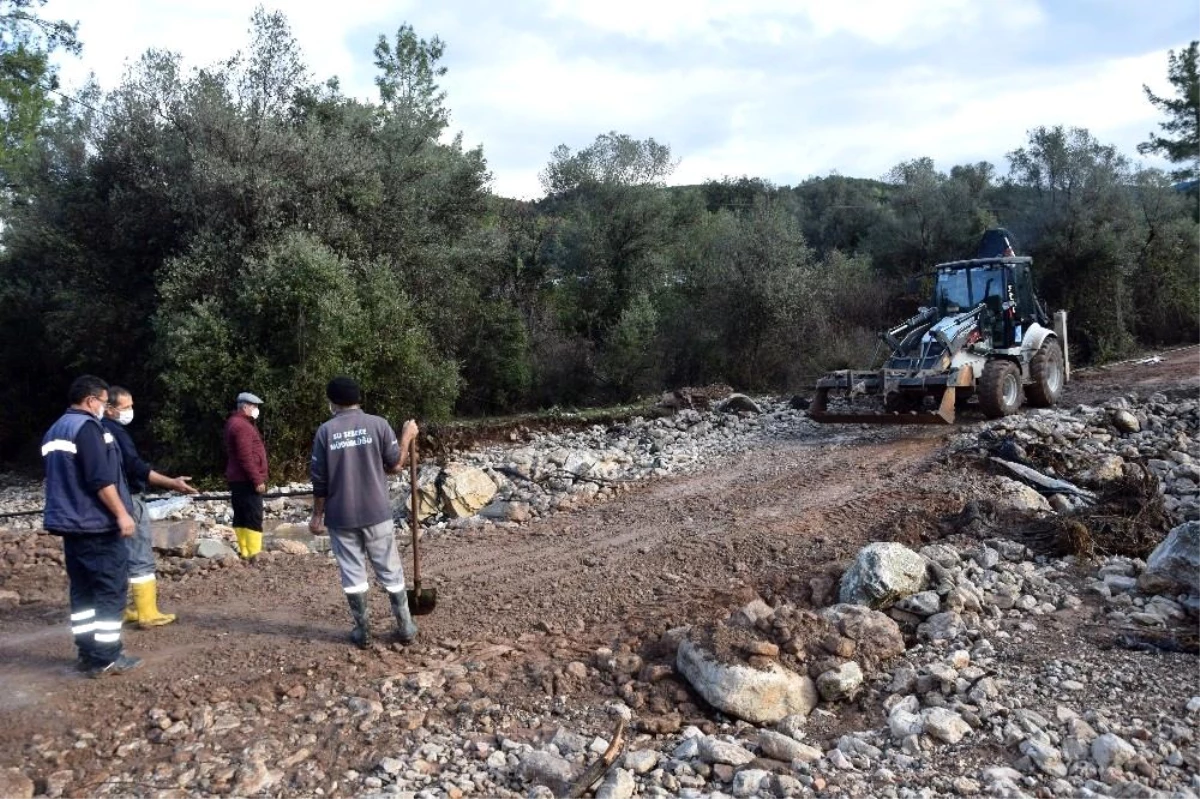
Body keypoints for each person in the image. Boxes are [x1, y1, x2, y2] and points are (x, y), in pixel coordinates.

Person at [41, 375, 141, 678]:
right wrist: (122, 514)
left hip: (71, 525)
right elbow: (100, 478)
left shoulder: (56, 429)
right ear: (91, 400)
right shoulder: (86, 429)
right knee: (110, 589)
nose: (105, 407)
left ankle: (86, 652)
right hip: (96, 524)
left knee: (83, 592)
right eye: (103, 401)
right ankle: (107, 656)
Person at [308, 376, 419, 648]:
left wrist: (317, 515)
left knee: (352, 573)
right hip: (376, 512)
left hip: (340, 516)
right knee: (390, 569)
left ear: (332, 402)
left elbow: (319, 480)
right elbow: (395, 465)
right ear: (359, 399)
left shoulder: (325, 432)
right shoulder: (378, 424)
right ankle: (405, 626)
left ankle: (363, 631)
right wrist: (406, 436)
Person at [102, 386, 198, 628]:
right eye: (126, 407)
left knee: (118, 554)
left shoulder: (96, 430)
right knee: (140, 554)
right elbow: (136, 467)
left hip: (110, 498)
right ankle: (147, 612)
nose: (131, 411)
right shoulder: (116, 432)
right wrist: (172, 483)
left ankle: (124, 608)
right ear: (110, 409)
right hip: (129, 497)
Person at [224, 391, 268, 559]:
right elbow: (245, 456)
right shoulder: (242, 426)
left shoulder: (233, 423)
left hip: (238, 479)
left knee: (241, 515)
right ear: (245, 406)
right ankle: (254, 553)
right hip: (247, 479)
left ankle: (245, 552)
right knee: (253, 516)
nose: (256, 409)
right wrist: (257, 479)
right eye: (254, 406)